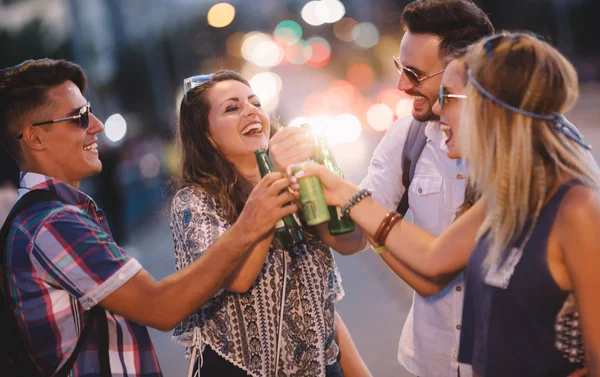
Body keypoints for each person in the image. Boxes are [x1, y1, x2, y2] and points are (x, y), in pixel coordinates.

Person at [291, 32, 600, 377]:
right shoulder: (505, 196)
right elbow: (432, 258)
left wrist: (347, 196)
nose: (438, 109)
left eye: (447, 97)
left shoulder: (576, 207)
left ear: (489, 107)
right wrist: (340, 193)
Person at [0, 59, 299, 376]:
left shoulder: (55, 216)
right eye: (80, 117)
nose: (97, 125)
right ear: (35, 138)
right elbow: (161, 306)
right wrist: (249, 224)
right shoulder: (52, 225)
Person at [271, 1, 493, 376]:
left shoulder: (517, 155)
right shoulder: (407, 137)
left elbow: (435, 267)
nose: (402, 85)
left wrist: (349, 197)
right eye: (399, 68)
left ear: (466, 68)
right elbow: (352, 236)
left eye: (415, 73)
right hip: (433, 360)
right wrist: (308, 186)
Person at [169, 70, 370, 377]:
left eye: (255, 102)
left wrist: (321, 182)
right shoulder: (194, 203)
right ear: (207, 135)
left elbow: (350, 244)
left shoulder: (297, 175)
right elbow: (238, 279)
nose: (251, 111)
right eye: (232, 108)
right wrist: (272, 176)